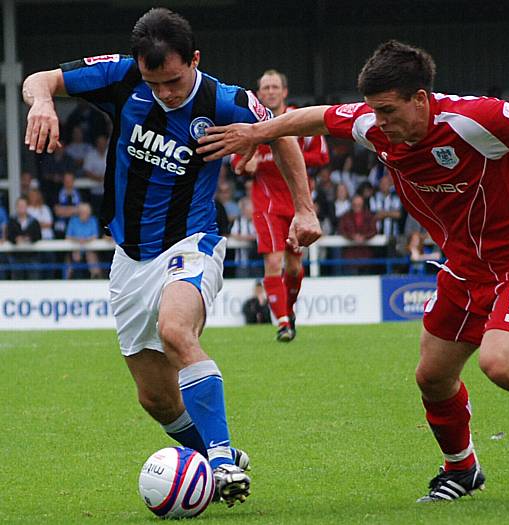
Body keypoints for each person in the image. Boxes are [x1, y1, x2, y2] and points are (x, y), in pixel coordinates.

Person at [198, 40, 509, 500]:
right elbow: (316, 116)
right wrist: (255, 133)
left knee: (499, 362)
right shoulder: (375, 124)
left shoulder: (470, 120)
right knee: (432, 376)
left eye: (388, 111)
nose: (379, 123)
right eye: (374, 111)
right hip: (465, 269)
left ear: (421, 99)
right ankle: (462, 469)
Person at [23, 7, 321, 507]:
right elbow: (39, 79)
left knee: (176, 331)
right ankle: (212, 457)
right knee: (156, 399)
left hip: (192, 241)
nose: (164, 92)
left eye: (174, 81)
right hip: (129, 257)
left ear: (195, 60)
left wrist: (305, 209)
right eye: (153, 82)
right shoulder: (120, 74)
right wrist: (42, 105)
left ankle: (222, 461)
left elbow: (284, 131)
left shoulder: (223, 100)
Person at [233, 69, 329, 341]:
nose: (271, 91)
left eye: (275, 86)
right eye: (266, 87)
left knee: (295, 268)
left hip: (298, 202)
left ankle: (290, 309)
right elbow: (237, 161)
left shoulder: (300, 120)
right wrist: (246, 164)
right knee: (273, 261)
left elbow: (321, 155)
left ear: (284, 92)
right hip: (266, 204)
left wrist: (283, 157)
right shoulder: (250, 124)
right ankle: (283, 322)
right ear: (259, 93)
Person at [65, 202, 102, 279]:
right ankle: (68, 279)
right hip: (75, 247)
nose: (84, 214)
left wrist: (85, 240)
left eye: (86, 213)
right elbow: (68, 237)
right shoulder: (73, 220)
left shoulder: (93, 220)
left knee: (91, 255)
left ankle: (95, 278)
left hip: (89, 248)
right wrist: (78, 240)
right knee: (75, 256)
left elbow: (95, 236)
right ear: (79, 213)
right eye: (82, 212)